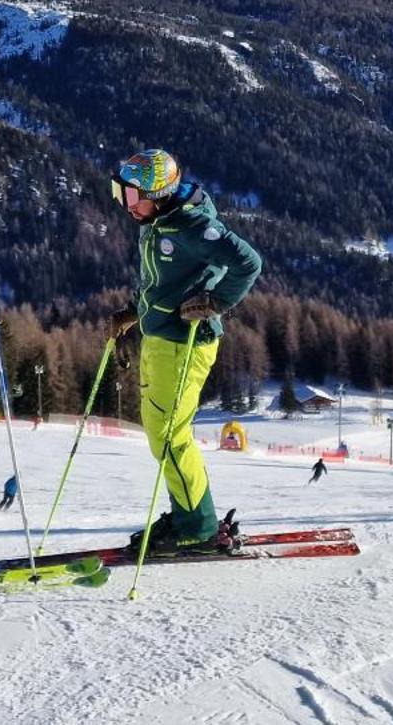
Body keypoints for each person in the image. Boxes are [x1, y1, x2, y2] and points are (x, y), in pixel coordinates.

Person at [106, 149, 263, 552]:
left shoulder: (191, 225)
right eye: (119, 194)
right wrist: (133, 309)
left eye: (131, 197)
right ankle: (187, 513)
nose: (126, 206)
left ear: (159, 193)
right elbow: (161, 279)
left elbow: (248, 262)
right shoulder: (157, 220)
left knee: (170, 437)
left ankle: (197, 526)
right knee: (162, 434)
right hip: (159, 337)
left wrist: (216, 301)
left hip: (183, 343)